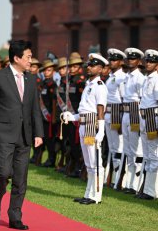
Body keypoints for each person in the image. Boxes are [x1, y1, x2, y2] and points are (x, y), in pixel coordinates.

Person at [0, 40, 43, 230]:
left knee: (20, 178)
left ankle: (15, 216)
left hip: (24, 136)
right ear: (16, 58)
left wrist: (39, 133)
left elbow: (35, 109)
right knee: (4, 172)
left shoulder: (31, 80)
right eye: (28, 57)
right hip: (3, 134)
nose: (30, 60)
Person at [63, 53, 108, 205]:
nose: (89, 67)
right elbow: (84, 110)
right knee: (88, 163)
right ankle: (88, 194)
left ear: (101, 69)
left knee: (95, 162)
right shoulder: (88, 85)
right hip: (83, 123)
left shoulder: (100, 86)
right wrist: (72, 117)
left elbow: (100, 109)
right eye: (88, 64)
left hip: (91, 125)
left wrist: (101, 131)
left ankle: (96, 196)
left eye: (93, 65)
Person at [137, 49, 158, 200]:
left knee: (154, 155)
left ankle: (151, 191)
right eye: (147, 61)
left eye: (152, 62)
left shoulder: (157, 80)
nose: (148, 63)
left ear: (157, 65)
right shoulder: (146, 79)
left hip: (152, 117)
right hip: (144, 116)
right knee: (147, 154)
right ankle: (147, 188)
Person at [120, 47, 145, 194]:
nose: (130, 61)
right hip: (125, 112)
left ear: (138, 61)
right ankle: (129, 182)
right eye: (129, 58)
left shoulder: (140, 78)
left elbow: (142, 99)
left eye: (133, 58)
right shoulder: (126, 77)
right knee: (128, 148)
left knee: (136, 149)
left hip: (135, 112)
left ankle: (136, 183)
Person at [104, 48, 126, 188]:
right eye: (110, 59)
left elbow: (124, 99)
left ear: (121, 62)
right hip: (108, 112)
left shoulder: (121, 77)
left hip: (117, 112)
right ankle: (113, 178)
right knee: (112, 147)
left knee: (118, 146)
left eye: (114, 60)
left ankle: (119, 179)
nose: (111, 62)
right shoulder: (111, 76)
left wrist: (121, 119)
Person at [38, 59, 58, 167]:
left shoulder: (52, 85)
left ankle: (51, 159)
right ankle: (42, 157)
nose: (46, 72)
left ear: (53, 72)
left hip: (49, 115)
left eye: (49, 70)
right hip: (41, 115)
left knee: (50, 139)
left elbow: (54, 102)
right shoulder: (42, 84)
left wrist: (53, 116)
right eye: (45, 70)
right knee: (43, 137)